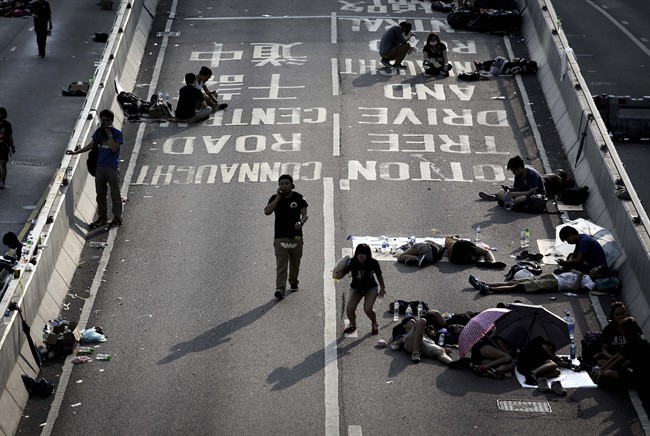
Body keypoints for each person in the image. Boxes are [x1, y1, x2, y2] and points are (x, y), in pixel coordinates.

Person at [66, 109, 123, 228]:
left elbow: (114, 148)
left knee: (115, 194)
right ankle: (102, 217)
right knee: (100, 194)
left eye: (107, 120)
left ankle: (117, 217)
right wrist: (76, 152)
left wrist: (109, 134)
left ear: (111, 121)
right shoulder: (98, 133)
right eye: (103, 120)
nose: (105, 123)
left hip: (112, 167)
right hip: (100, 167)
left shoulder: (117, 134)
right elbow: (91, 145)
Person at [264, 174, 308, 300]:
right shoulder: (274, 198)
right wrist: (278, 198)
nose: (284, 186)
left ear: (291, 185)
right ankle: (280, 289)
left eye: (286, 183)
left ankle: (293, 281)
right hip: (280, 237)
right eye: (281, 184)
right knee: (281, 264)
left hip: (296, 237)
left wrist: (301, 223)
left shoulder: (299, 197)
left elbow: (305, 214)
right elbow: (267, 211)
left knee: (295, 262)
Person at [595, 317, 650, 404]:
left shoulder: (634, 343)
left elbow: (618, 361)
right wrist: (601, 369)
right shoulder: (637, 337)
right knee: (604, 364)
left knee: (607, 374)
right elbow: (617, 355)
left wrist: (601, 374)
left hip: (641, 378)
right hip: (637, 370)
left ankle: (620, 388)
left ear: (626, 332)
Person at [468, 265, 610, 295]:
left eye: (597, 269)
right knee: (515, 282)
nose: (594, 268)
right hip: (553, 277)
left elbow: (577, 290)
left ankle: (490, 290)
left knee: (519, 287)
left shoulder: (590, 282)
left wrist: (578, 276)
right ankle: (484, 284)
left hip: (555, 284)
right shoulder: (585, 274)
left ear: (599, 275)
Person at [343, 244, 386, 335]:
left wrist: (382, 288)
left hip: (370, 288)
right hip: (356, 289)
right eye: (359, 254)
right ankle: (352, 324)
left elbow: (379, 275)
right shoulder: (352, 262)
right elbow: (342, 272)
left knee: (368, 309)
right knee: (349, 309)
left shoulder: (373, 262)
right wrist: (337, 272)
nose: (361, 256)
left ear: (368, 255)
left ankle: (374, 323)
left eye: (363, 254)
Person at [478, 156, 546, 209]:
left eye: (514, 171)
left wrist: (513, 194)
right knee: (501, 192)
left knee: (518, 199)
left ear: (519, 168)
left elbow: (532, 192)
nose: (513, 173)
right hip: (523, 192)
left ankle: (504, 200)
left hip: (535, 196)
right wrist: (509, 189)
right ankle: (505, 200)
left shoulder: (532, 174)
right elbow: (517, 188)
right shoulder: (518, 174)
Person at [596, 302, 628, 366]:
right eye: (617, 314)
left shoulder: (631, 327)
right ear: (613, 316)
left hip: (626, 358)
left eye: (622, 314)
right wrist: (610, 357)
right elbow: (604, 348)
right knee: (601, 362)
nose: (620, 316)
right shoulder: (608, 329)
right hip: (611, 358)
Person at [473, 56, 538, 76]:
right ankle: (483, 68)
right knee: (494, 66)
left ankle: (481, 64)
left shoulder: (523, 61)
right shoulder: (526, 72)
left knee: (498, 59)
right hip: (504, 72)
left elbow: (514, 59)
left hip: (505, 65)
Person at [0, 107, 15, 189]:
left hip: (4, 147)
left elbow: (10, 136)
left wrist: (12, 146)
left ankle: (3, 180)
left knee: (3, 164)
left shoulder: (7, 125)